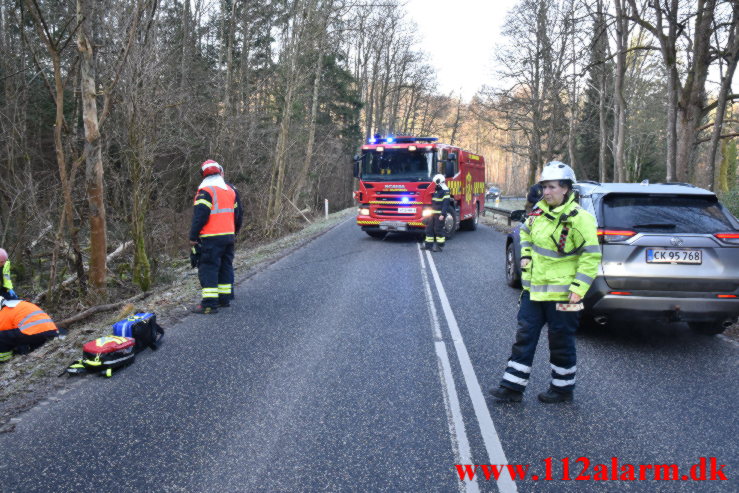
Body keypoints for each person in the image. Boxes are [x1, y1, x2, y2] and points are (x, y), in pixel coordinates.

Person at [490, 161, 601, 403]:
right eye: (544, 187)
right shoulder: (537, 214)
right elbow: (524, 235)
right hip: (534, 292)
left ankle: (562, 389)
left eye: (551, 187)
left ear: (566, 189)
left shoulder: (580, 219)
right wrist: (526, 256)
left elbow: (591, 257)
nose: (546, 192)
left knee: (561, 341)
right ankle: (512, 388)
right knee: (524, 337)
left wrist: (578, 289)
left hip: (564, 295)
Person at [189, 160, 243, 314]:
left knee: (209, 268)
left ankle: (209, 304)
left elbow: (200, 216)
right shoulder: (230, 190)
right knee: (226, 265)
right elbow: (238, 214)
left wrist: (193, 236)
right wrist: (235, 231)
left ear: (202, 174)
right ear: (220, 172)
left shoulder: (205, 191)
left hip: (211, 237)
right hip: (228, 236)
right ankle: (224, 299)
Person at [0, 297, 58, 363]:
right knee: (16, 335)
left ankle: (4, 360)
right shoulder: (20, 304)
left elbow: (4, 335)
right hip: (50, 330)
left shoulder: (4, 313)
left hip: (32, 333)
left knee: (3, 336)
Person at [424, 174, 451, 252]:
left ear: (439, 182)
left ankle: (440, 247)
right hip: (433, 214)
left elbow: (446, 204)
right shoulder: (438, 190)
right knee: (429, 229)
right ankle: (428, 246)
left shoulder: (445, 191)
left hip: (439, 215)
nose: (435, 184)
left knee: (438, 230)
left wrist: (442, 214)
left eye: (436, 182)